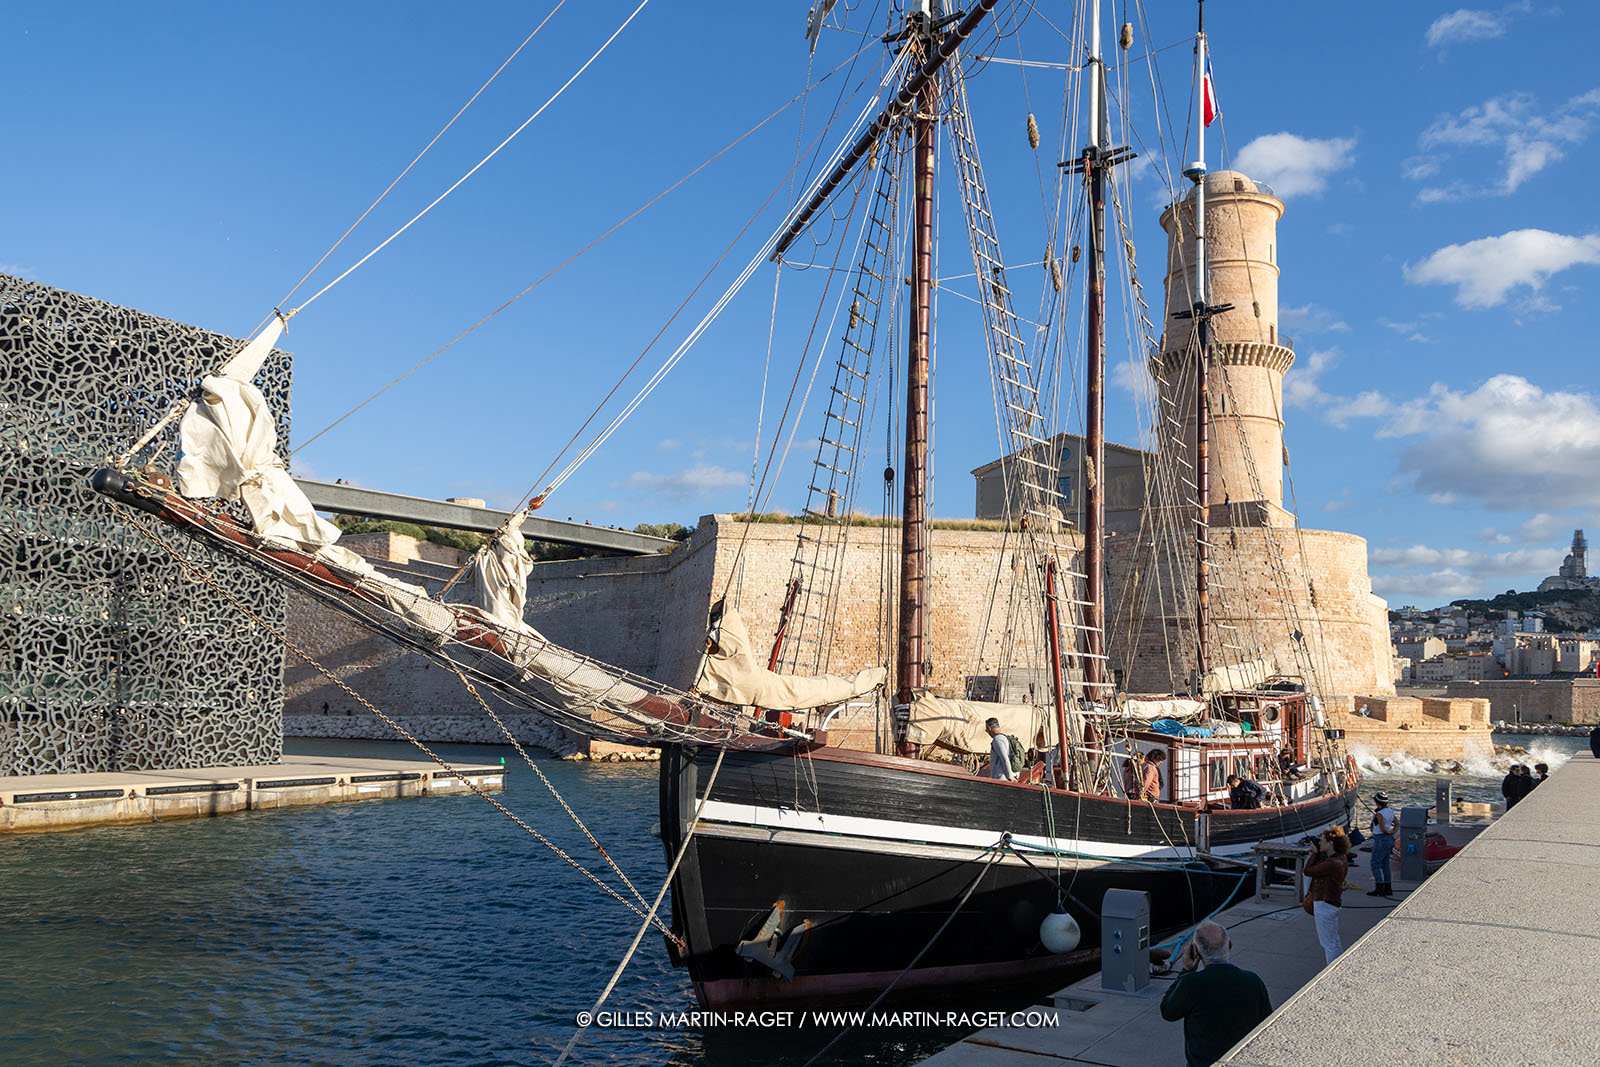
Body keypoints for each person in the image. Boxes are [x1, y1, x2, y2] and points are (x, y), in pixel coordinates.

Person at [1159, 919, 1272, 1067]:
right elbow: (1268, 1025)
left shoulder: (1191, 984)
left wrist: (1186, 970)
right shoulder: (1253, 981)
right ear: (1229, 945)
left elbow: (1168, 1011)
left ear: (1196, 952)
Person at [1305, 826, 1351, 964]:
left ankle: (1332, 971)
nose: (1320, 843)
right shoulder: (1341, 858)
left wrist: (1314, 853)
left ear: (1331, 843)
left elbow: (1308, 870)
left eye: (1322, 840)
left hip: (1324, 905)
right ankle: (1339, 966)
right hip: (1332, 903)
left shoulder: (1332, 863)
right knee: (1333, 940)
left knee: (1328, 944)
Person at [1366, 790, 1398, 897]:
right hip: (1389, 840)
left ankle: (1379, 887)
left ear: (1377, 802)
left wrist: (1387, 832)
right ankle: (1388, 888)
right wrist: (1393, 832)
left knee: (1375, 864)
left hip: (1380, 840)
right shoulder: (1390, 811)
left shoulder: (1379, 814)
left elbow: (1382, 828)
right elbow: (1397, 824)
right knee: (1385, 864)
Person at [985, 717, 1015, 781]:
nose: (986, 731)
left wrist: (1010, 777)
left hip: (1002, 778)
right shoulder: (1004, 737)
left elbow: (1005, 759)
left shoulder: (997, 740)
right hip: (1005, 777)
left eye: (986, 729)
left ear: (989, 728)